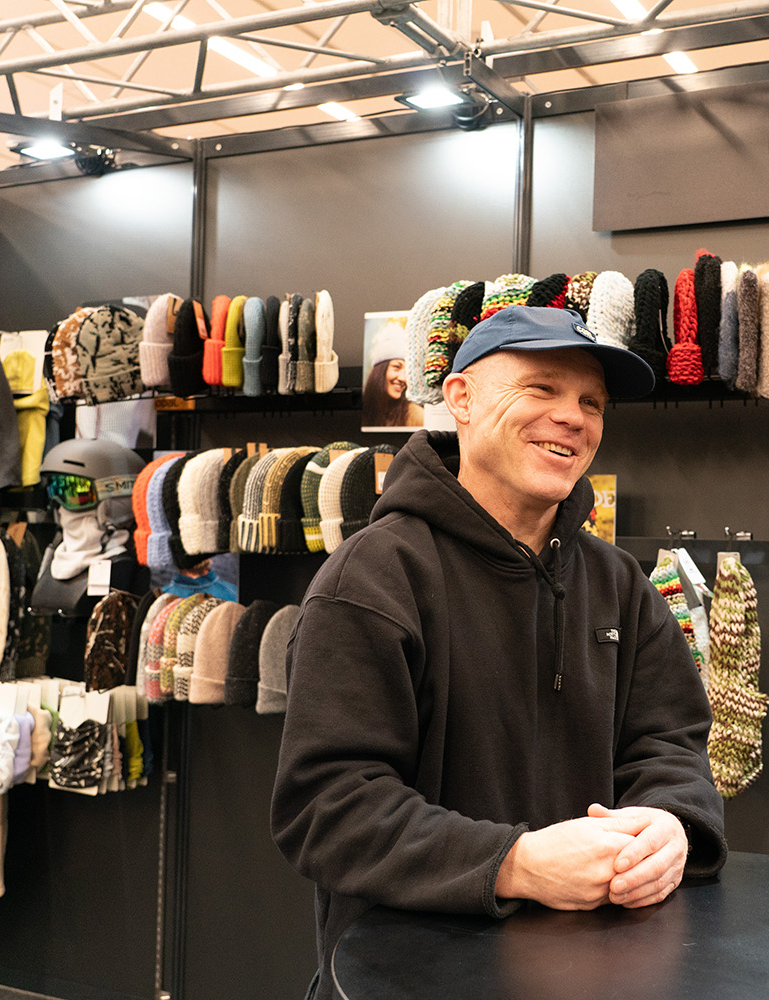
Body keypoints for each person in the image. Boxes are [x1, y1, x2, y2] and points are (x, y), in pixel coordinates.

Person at [271, 307, 727, 1000]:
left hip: (592, 973)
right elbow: (328, 806)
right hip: (407, 977)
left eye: (592, 403)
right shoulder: (372, 580)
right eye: (542, 388)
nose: (572, 417)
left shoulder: (619, 583)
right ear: (460, 398)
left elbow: (671, 744)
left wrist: (672, 823)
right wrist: (514, 863)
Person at [360, 319, 423, 427]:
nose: (403, 378)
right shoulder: (366, 410)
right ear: (379, 371)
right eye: (396, 367)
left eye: (408, 371)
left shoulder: (417, 416)